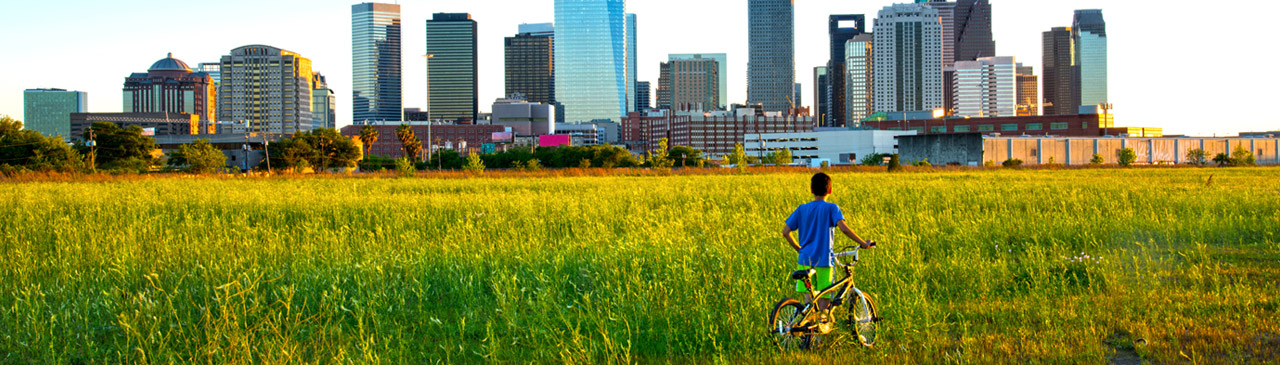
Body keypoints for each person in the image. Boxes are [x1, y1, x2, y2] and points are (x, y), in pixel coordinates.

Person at [781, 172, 875, 315]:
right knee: (824, 296)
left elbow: (785, 232)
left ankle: (808, 332)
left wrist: (799, 249)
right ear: (830, 190)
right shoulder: (832, 208)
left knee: (809, 297)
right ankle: (820, 333)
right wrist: (862, 243)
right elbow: (844, 229)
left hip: (805, 259)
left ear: (811, 189)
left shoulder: (802, 209)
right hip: (824, 260)